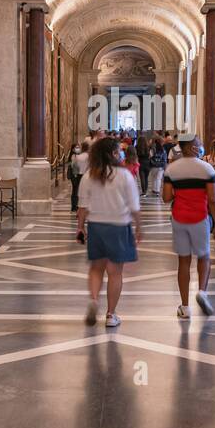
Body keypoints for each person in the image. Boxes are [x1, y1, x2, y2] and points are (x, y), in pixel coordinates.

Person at [76, 136, 140, 328]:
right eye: (118, 151)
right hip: (119, 226)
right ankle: (111, 314)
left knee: (96, 268)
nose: (121, 153)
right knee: (115, 273)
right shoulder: (124, 175)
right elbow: (134, 206)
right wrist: (140, 227)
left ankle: (94, 300)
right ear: (113, 154)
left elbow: (82, 207)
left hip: (97, 226)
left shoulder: (88, 176)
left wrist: (80, 228)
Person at [163, 132, 215, 318]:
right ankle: (202, 292)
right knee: (204, 257)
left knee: (183, 261)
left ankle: (185, 306)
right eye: (198, 143)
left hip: (179, 218)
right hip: (200, 218)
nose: (200, 145)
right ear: (190, 147)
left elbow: (165, 198)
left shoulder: (172, 169)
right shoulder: (207, 169)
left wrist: (179, 193)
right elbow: (213, 200)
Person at [67, 141, 86, 212]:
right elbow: (74, 166)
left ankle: (76, 205)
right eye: (76, 147)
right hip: (75, 175)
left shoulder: (79, 155)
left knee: (77, 190)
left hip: (79, 174)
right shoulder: (73, 156)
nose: (78, 148)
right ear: (73, 149)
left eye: (79, 147)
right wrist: (75, 175)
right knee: (75, 190)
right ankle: (74, 206)